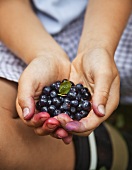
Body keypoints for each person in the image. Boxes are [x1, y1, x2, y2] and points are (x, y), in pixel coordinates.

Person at [0, 0, 132, 169]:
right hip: (27, 33)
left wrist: (97, 46)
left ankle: (109, 150)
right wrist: (44, 53)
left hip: (106, 23)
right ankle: (103, 151)